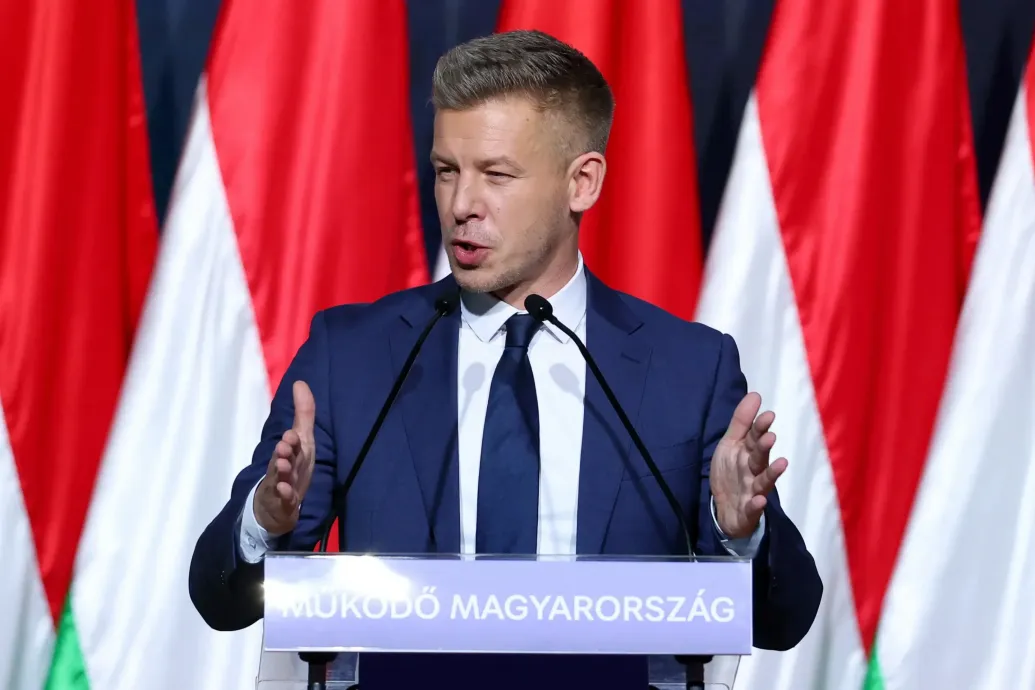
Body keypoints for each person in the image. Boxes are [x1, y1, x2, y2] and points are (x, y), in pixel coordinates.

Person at [189, 29, 822, 689]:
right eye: (446, 171)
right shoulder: (352, 357)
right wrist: (264, 522)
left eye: (495, 175)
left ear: (582, 182)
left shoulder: (687, 369)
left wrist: (737, 532)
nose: (461, 205)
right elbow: (219, 598)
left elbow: (785, 619)